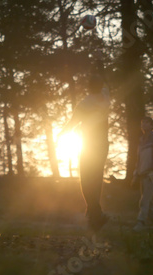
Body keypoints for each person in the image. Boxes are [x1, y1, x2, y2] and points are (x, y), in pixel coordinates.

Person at [59, 75, 110, 231]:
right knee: (97, 178)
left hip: (89, 144)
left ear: (89, 88)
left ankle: (94, 213)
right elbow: (105, 82)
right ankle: (94, 215)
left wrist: (61, 134)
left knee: (86, 179)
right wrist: (100, 61)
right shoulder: (106, 97)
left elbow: (73, 121)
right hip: (102, 144)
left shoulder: (85, 103)